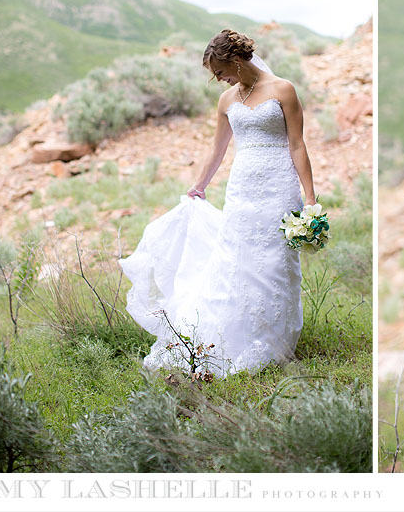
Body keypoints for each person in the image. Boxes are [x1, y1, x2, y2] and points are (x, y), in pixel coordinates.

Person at [121, 29, 317, 377]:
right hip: (242, 189)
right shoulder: (227, 100)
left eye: (221, 69)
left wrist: (311, 199)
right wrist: (199, 185)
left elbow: (297, 145)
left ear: (239, 60)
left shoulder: (283, 90)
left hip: (278, 187)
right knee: (236, 261)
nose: (219, 78)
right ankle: (235, 332)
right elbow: (218, 148)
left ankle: (273, 339)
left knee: (275, 263)